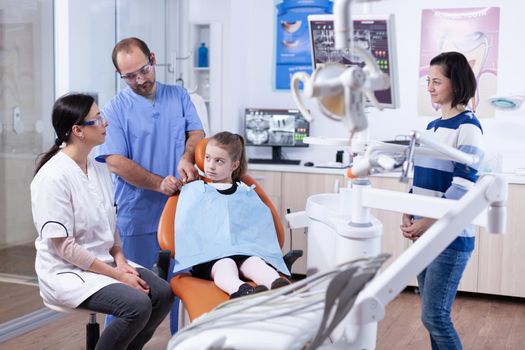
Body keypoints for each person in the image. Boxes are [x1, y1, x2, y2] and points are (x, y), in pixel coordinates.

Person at [31, 93, 173, 350]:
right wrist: (118, 275)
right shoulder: (52, 177)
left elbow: (112, 225)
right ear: (77, 131)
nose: (105, 122)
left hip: (106, 262)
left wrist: (120, 261)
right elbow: (65, 248)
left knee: (162, 293)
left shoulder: (98, 169)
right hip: (67, 271)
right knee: (136, 305)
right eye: (97, 119)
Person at [96, 37, 204, 332]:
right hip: (138, 214)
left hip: (180, 212)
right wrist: (158, 184)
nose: (139, 80)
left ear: (153, 59)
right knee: (131, 292)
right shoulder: (115, 109)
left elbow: (196, 133)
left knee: (181, 288)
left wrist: (186, 156)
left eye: (143, 70)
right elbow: (115, 161)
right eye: (129, 76)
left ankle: (178, 342)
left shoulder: (178, 96)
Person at [400, 51, 484, 350]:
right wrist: (409, 213)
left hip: (449, 236)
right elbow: (419, 179)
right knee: (430, 316)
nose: (430, 87)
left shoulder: (469, 127)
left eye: (437, 81)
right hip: (425, 233)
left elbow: (462, 186)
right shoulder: (433, 127)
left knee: (435, 316)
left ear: (457, 84)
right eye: (428, 81)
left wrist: (426, 221)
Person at [173, 132, 291, 298]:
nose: (210, 166)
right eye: (207, 158)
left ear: (234, 165)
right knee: (225, 265)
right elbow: (188, 226)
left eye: (219, 161)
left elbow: (259, 228)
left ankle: (277, 284)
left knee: (255, 263)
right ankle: (241, 290)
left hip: (243, 251)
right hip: (210, 256)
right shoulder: (195, 191)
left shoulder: (246, 193)